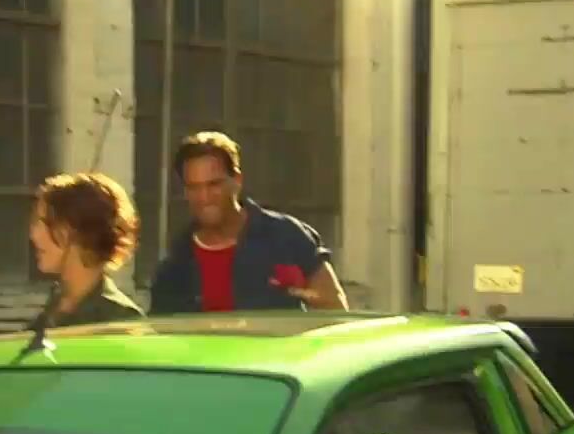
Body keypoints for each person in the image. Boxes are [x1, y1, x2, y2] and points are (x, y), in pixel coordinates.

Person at [148, 131, 349, 315]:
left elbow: (336, 312)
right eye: (194, 187)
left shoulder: (286, 237)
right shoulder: (176, 263)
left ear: (237, 180)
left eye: (214, 184)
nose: (204, 197)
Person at [27, 172, 146, 328]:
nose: (33, 235)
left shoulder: (120, 321)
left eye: (42, 222)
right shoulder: (53, 310)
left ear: (74, 230)